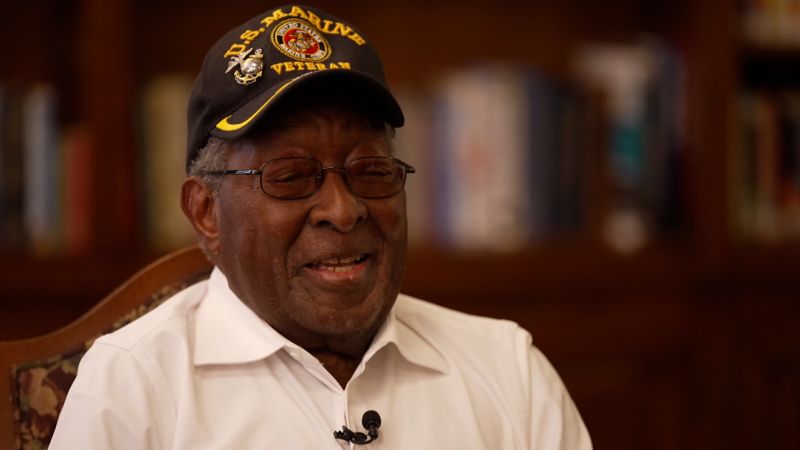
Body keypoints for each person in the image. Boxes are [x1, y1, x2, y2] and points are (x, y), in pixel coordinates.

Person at [50, 4, 592, 449]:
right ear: (206, 212)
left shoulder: (508, 370)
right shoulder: (134, 385)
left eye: (370, 171)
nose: (343, 209)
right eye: (291, 177)